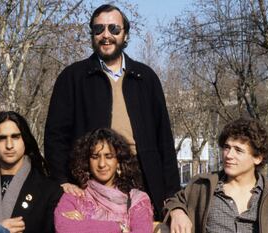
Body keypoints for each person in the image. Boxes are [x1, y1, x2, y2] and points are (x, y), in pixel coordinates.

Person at [44, 4, 180, 220]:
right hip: (91, 181)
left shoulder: (146, 78)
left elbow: (164, 138)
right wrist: (62, 181)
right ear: (92, 34)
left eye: (114, 29)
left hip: (143, 178)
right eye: (99, 29)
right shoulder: (72, 78)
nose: (106, 35)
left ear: (125, 34)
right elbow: (55, 137)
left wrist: (173, 196)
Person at [163, 118, 268, 233]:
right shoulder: (201, 186)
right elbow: (173, 201)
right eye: (227, 147)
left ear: (257, 158)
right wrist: (177, 213)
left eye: (238, 150)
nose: (229, 155)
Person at [54, 128, 153, 233]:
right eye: (95, 157)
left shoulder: (137, 201)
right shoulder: (74, 196)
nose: (102, 164)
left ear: (118, 161)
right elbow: (64, 228)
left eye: (108, 156)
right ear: (86, 161)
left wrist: (85, 223)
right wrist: (119, 228)